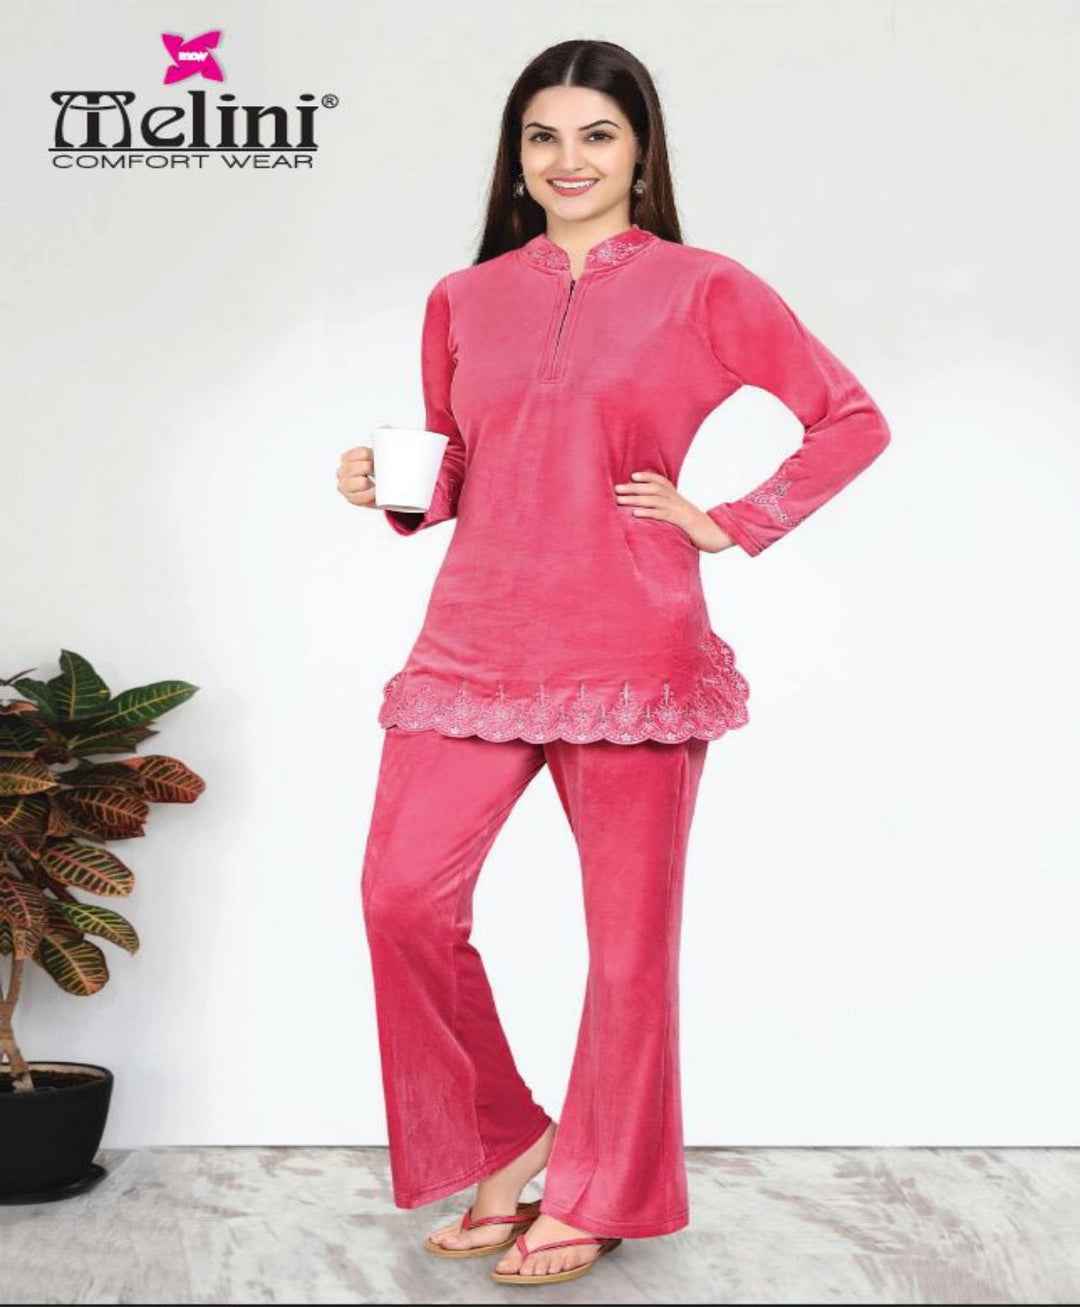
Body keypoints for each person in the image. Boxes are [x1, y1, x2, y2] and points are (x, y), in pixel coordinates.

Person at [337, 38, 891, 1287]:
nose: (568, 159)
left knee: (628, 950)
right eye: (543, 136)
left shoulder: (705, 287)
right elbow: (457, 464)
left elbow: (851, 418)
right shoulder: (465, 296)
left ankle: (599, 1189)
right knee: (400, 898)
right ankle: (506, 1135)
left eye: (596, 134)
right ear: (515, 157)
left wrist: (730, 519)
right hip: (473, 644)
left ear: (641, 153)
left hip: (634, 649)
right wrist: (391, 487)